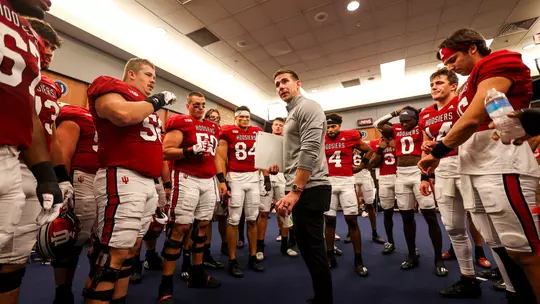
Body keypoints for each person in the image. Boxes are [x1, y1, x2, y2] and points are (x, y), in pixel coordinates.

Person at [419, 28, 540, 303]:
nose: (451, 67)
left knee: (524, 249)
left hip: (501, 164)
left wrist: (438, 150)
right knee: (499, 246)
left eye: (453, 60)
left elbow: (475, 118)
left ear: (472, 48)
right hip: (474, 168)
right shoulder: (467, 84)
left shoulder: (497, 61)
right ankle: (515, 295)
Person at [84, 58, 176, 303]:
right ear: (131, 75)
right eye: (147, 74)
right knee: (112, 252)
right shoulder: (110, 86)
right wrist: (156, 101)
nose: (152, 79)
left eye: (154, 75)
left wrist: (163, 186)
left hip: (147, 181)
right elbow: (121, 114)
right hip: (121, 174)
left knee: (131, 251)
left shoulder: (148, 107)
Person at [0, 5, 65, 302]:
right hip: (14, 159)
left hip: (17, 158)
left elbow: (36, 121)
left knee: (13, 260)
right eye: (46, 44)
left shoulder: (24, 39)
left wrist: (52, 175)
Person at [417, 68, 482, 298]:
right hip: (442, 169)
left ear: (453, 85)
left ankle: (509, 277)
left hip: (469, 165)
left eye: (439, 82)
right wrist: (425, 175)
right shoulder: (425, 113)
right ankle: (468, 277)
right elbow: (426, 145)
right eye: (432, 84)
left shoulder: (464, 102)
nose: (434, 87)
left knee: (486, 224)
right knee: (453, 226)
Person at [271, 69, 333, 304]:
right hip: (300, 186)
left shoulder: (308, 107)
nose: (281, 86)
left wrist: (295, 191)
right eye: (277, 84)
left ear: (298, 84)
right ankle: (321, 297)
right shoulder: (292, 113)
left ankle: (325, 299)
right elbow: (296, 152)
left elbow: (309, 149)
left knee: (314, 251)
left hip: (310, 187)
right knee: (308, 249)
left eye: (285, 81)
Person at [159, 92, 221, 303]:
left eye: (203, 105)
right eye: (196, 105)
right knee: (180, 227)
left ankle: (197, 274)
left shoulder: (213, 127)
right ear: (188, 105)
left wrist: (220, 179)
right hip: (186, 177)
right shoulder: (181, 121)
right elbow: (166, 151)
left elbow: (217, 156)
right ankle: (165, 285)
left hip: (208, 178)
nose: (200, 108)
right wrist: (189, 150)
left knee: (202, 226)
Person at [374, 106, 447, 276]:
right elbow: (378, 123)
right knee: (406, 217)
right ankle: (412, 254)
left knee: (430, 216)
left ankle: (438, 258)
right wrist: (395, 113)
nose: (405, 124)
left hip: (418, 172)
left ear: (416, 119)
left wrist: (419, 114)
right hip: (400, 174)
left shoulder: (421, 127)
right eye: (402, 121)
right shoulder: (396, 128)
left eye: (408, 121)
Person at [215, 106, 266, 277]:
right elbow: (221, 157)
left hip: (253, 177)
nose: (245, 120)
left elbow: (264, 154)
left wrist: (265, 177)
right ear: (235, 118)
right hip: (235, 177)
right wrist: (222, 180)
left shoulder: (257, 131)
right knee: (234, 219)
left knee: (252, 219)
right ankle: (232, 259)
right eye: (241, 117)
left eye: (247, 117)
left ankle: (253, 256)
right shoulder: (227, 131)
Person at [323, 113, 371, 276]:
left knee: (352, 219)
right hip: (328, 182)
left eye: (333, 126)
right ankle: (329, 256)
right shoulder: (321, 138)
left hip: (346, 181)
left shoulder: (350, 136)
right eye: (328, 127)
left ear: (339, 126)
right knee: (329, 220)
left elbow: (369, 151)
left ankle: (358, 259)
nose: (330, 130)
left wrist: (362, 166)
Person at [257, 117, 298, 258]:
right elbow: (261, 160)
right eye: (276, 125)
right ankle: (259, 247)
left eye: (281, 125)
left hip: (283, 179)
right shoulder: (264, 140)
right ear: (272, 126)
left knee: (285, 212)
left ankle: (285, 245)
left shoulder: (288, 142)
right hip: (266, 178)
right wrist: (266, 178)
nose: (278, 127)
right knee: (263, 213)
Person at [204, 108, 229, 260]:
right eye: (211, 117)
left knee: (222, 215)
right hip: (206, 178)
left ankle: (225, 243)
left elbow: (224, 160)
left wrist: (225, 180)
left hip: (222, 179)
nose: (214, 120)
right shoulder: (204, 134)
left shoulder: (222, 137)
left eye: (217, 118)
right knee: (206, 217)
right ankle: (205, 251)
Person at [368, 133, 398, 254]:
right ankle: (390, 241)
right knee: (387, 212)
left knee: (408, 214)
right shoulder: (376, 144)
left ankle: (412, 246)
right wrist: (380, 149)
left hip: (400, 176)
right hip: (384, 179)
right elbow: (372, 163)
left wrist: (395, 147)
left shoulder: (399, 141)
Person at [351, 147, 385, 244]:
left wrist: (364, 157)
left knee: (370, 205)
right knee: (351, 208)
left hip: (365, 177)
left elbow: (371, 164)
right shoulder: (348, 147)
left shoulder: (367, 149)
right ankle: (350, 232)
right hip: (352, 178)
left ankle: (374, 232)